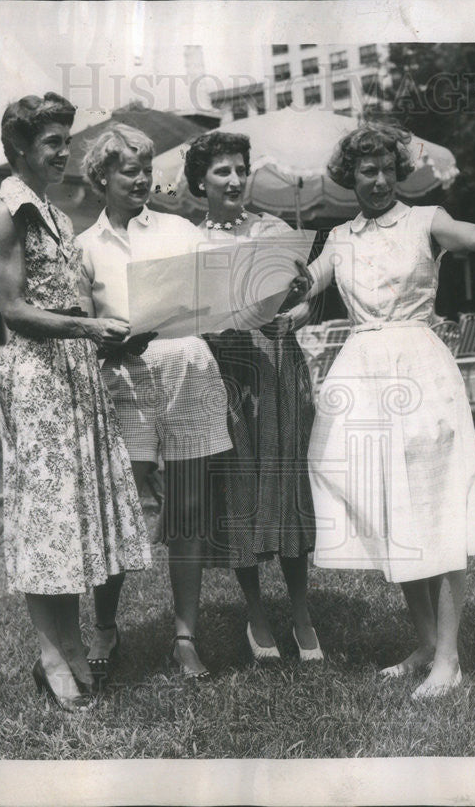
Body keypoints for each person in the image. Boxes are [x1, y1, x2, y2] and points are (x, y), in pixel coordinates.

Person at [302, 122, 475, 699]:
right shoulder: (338, 237)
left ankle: (449, 658)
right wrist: (279, 298)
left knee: (436, 502)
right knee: (393, 506)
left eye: (385, 169)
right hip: (361, 374)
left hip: (420, 369)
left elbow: (474, 237)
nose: (376, 180)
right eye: (365, 171)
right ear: (349, 177)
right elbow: (307, 288)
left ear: (399, 172)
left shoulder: (427, 219)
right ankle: (423, 643)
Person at [0, 93, 151, 712]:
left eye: (66, 140)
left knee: (73, 519)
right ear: (20, 147)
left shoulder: (52, 211)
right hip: (39, 380)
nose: (64, 152)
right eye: (52, 142)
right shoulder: (5, 211)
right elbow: (15, 310)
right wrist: (86, 329)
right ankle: (51, 653)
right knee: (48, 520)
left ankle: (73, 646)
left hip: (75, 375)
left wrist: (113, 334)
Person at [75, 123, 231, 681]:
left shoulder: (181, 229)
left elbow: (215, 297)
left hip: (187, 370)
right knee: (118, 512)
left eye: (146, 170)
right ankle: (105, 627)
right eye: (129, 171)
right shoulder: (85, 247)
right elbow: (76, 323)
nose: (141, 179)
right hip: (124, 380)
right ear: (101, 177)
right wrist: (104, 332)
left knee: (186, 510)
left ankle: (185, 637)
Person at [182, 131, 323, 662]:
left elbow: (306, 297)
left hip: (276, 360)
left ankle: (302, 611)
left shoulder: (273, 229)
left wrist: (297, 304)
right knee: (239, 487)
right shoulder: (190, 242)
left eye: (241, 169)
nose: (235, 180)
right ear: (201, 181)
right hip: (223, 366)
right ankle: (256, 612)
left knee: (285, 487)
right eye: (222, 172)